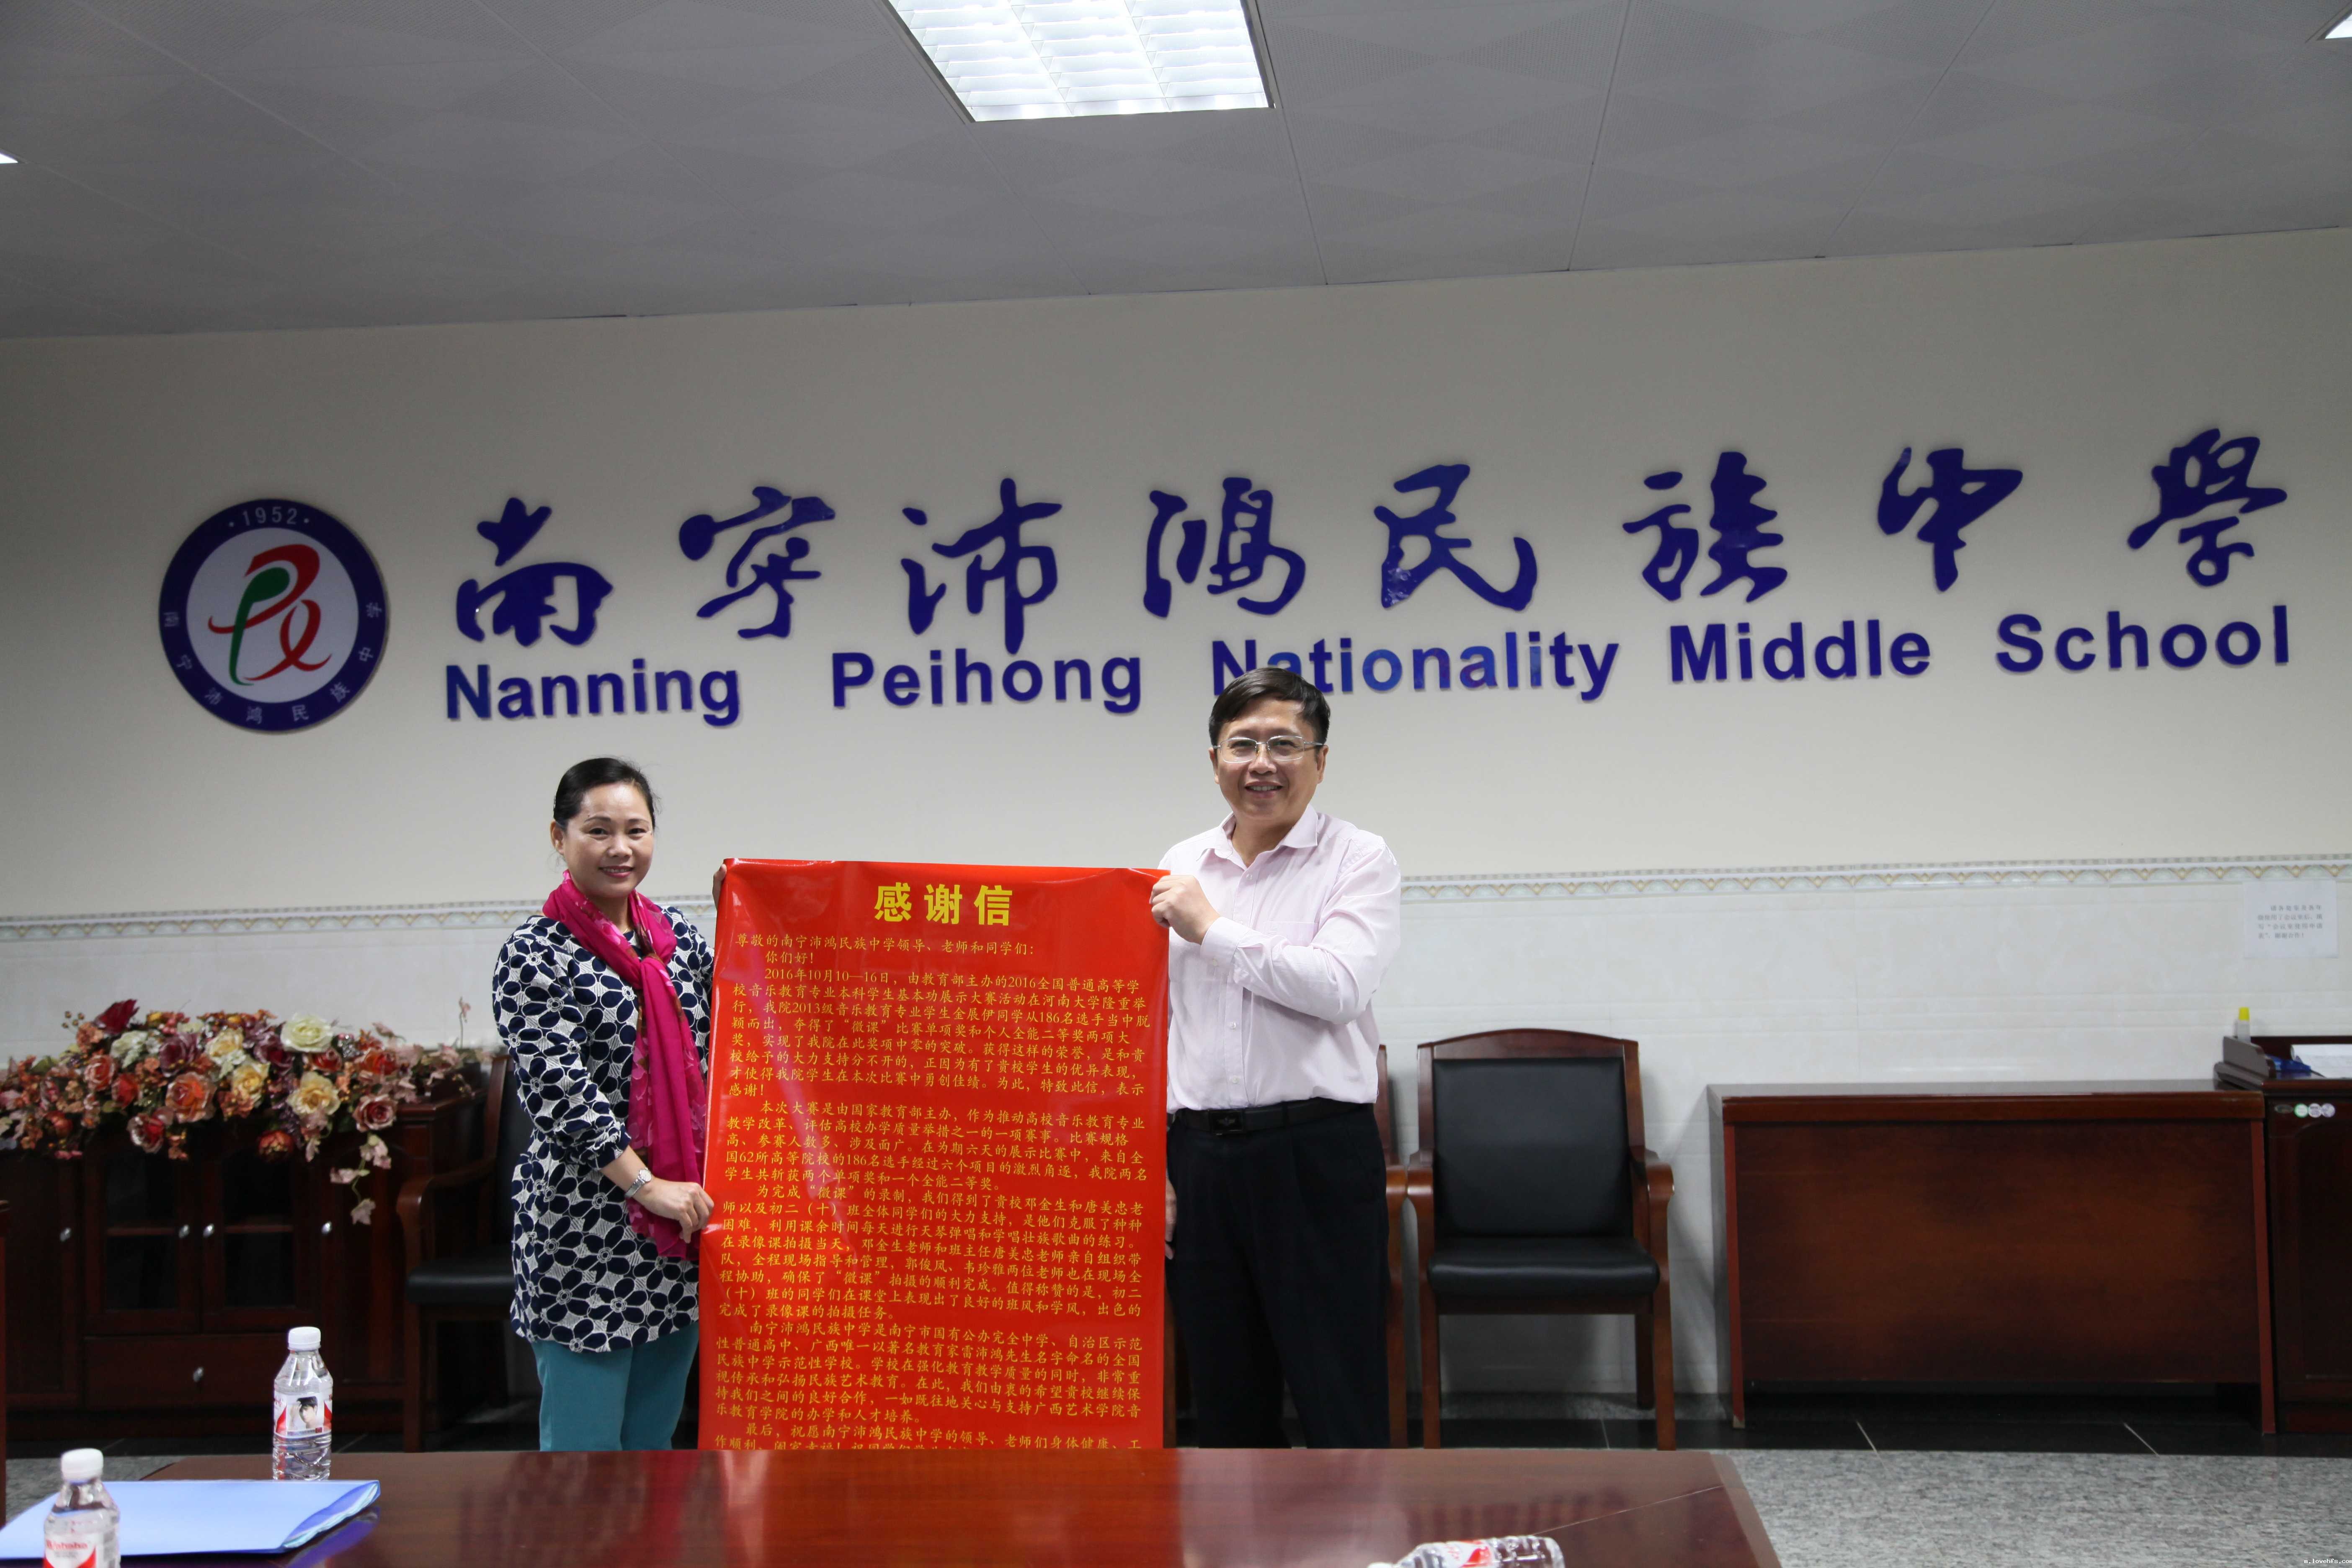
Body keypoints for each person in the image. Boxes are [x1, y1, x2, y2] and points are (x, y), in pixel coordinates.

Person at [1151, 666, 1403, 1447]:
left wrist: (1211, 930)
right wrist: (1158, 1167)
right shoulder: (1181, 863)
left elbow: (1338, 987)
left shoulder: (1358, 858)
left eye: (1284, 744)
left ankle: (1357, 1526)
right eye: (1243, 745)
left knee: (1338, 1391)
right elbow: (1163, 1025)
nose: (1262, 763)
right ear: (1215, 761)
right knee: (1226, 1400)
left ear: (1320, 761)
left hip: (1314, 1153)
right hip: (1201, 1159)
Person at [493, 757, 717, 1452]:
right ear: (559, 838)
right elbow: (562, 1096)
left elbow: (741, 1031)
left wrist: (744, 915)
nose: (621, 848)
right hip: (584, 1231)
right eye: (598, 830)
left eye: (636, 830)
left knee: (654, 1450)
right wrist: (648, 1187)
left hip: (675, 1232)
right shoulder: (535, 955)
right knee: (583, 1460)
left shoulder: (679, 942)